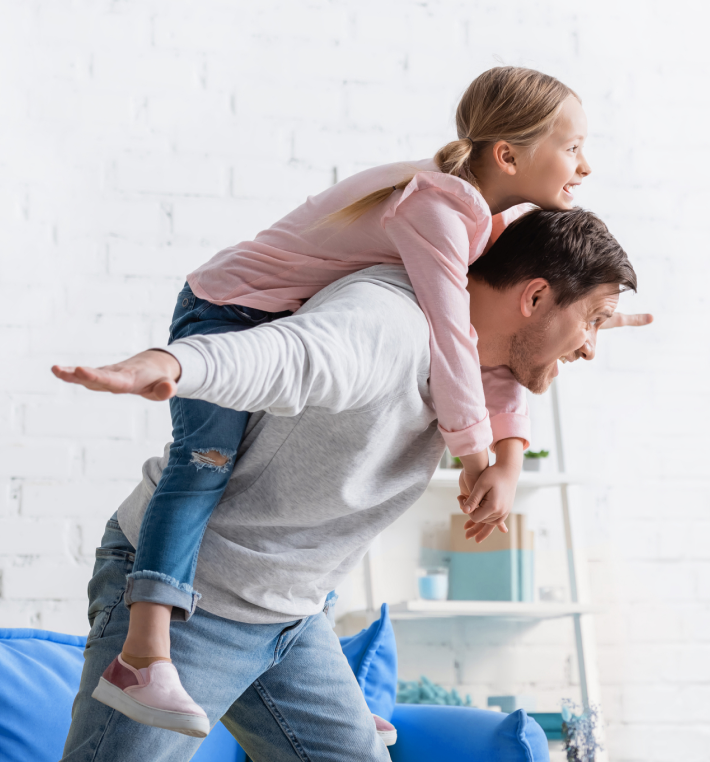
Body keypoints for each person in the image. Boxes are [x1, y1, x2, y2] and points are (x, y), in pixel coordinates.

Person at [53, 66, 594, 723]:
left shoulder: (482, 225)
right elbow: (455, 339)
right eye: (572, 147)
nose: (584, 165)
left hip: (285, 594)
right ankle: (144, 653)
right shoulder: (438, 211)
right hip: (230, 309)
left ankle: (314, 682)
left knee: (326, 489)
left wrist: (507, 459)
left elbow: (495, 349)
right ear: (508, 155)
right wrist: (476, 458)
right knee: (202, 467)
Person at [55, 207, 644, 760]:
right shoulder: (390, 323)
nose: (590, 346)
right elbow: (291, 356)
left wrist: (586, 321)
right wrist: (177, 364)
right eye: (592, 321)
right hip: (198, 596)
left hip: (294, 617)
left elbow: (520, 384)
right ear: (535, 295)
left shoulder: (482, 361)